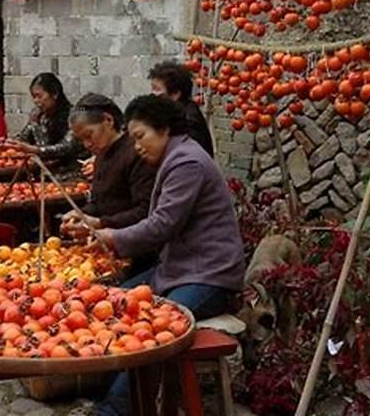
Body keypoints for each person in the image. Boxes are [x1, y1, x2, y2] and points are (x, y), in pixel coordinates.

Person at [89, 95, 245, 416]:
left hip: (209, 276)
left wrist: (113, 237)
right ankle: (106, 394)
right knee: (115, 303)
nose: (137, 146)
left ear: (163, 129)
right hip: (179, 269)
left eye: (140, 136)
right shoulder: (174, 158)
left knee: (153, 330)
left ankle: (114, 411)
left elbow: (162, 225)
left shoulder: (187, 162)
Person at [61, 93, 155, 248]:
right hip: (108, 243)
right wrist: (81, 214)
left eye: (89, 135)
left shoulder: (136, 153)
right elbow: (100, 203)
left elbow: (145, 211)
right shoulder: (101, 157)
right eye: (81, 140)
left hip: (136, 245)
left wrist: (100, 223)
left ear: (108, 120)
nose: (87, 144)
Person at [5, 73, 87, 170]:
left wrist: (34, 150)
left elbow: (66, 148)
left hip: (71, 172)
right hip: (44, 172)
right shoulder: (39, 116)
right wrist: (0, 144)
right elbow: (23, 138)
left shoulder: (73, 116)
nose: (36, 101)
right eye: (34, 97)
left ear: (55, 94)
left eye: (39, 96)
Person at [149, 60, 214, 157]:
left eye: (157, 89)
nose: (152, 94)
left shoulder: (188, 122)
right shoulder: (173, 112)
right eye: (152, 88)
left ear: (175, 94)